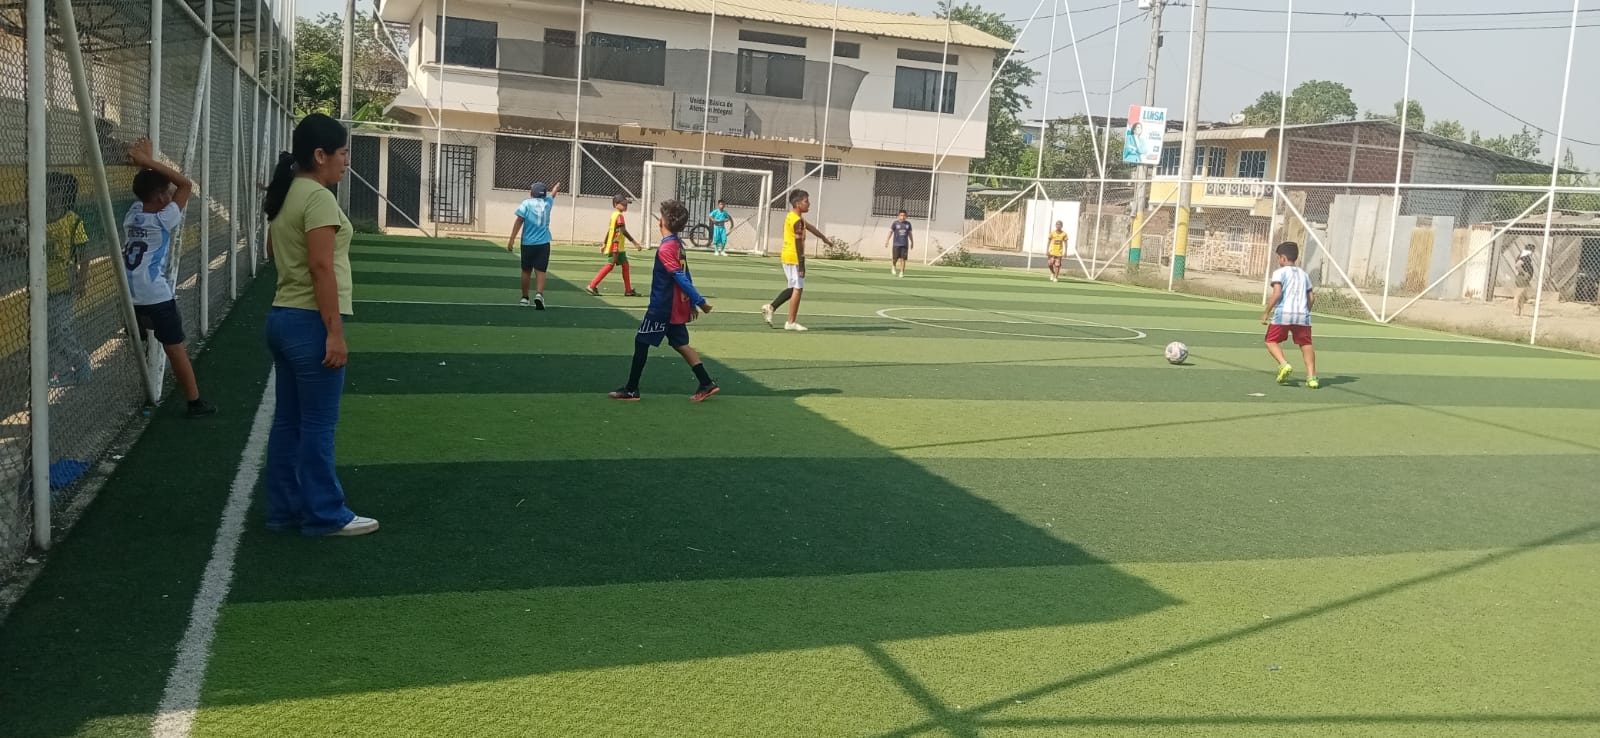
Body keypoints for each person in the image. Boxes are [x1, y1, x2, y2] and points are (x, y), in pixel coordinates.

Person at [262, 113, 377, 537]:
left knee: (289, 422)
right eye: (343, 153)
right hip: (308, 322)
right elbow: (320, 266)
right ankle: (326, 514)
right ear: (320, 155)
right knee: (317, 424)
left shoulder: (288, 192)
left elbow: (274, 252)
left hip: (283, 317)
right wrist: (334, 332)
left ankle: (284, 510)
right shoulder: (318, 198)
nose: (346, 161)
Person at [123, 139, 217, 417]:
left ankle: (140, 328)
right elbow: (185, 184)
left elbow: (147, 190)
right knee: (175, 348)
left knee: (148, 329)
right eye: (166, 192)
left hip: (130, 294)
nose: (170, 194)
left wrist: (146, 164)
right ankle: (194, 402)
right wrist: (147, 161)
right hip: (156, 295)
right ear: (162, 198)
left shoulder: (133, 214)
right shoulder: (163, 219)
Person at [608, 199, 718, 402]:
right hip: (674, 306)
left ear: (661, 222)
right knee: (681, 344)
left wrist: (699, 301)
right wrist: (690, 303)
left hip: (663, 307)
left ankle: (631, 389)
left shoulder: (666, 248)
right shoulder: (677, 245)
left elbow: (680, 276)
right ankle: (706, 382)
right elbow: (686, 272)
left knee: (641, 341)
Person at [44, 172, 92, 386]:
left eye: (55, 191)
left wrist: (81, 281)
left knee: (59, 328)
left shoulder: (73, 220)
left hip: (64, 286)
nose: (50, 195)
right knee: (45, 332)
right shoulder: (36, 218)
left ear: (63, 194)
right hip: (40, 286)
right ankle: (49, 373)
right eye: (47, 190)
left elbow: (84, 254)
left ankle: (81, 362)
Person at [762, 189, 831, 332]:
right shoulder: (797, 221)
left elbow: (810, 227)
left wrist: (823, 238)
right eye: (806, 201)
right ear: (798, 204)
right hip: (794, 257)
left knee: (793, 288)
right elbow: (798, 244)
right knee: (798, 289)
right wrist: (802, 264)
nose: (809, 203)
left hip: (786, 255)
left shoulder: (793, 216)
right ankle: (791, 322)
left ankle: (771, 307)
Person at [1261, 241, 1318, 390]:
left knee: (1270, 340)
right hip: (1302, 316)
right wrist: (1306, 311)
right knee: (1306, 344)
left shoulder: (1279, 273)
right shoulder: (1304, 274)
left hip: (1283, 314)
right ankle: (1312, 377)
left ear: (1283, 258)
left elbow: (1277, 294)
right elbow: (1311, 298)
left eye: (1279, 258)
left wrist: (1266, 312)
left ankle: (1284, 364)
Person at [507, 181, 560, 309]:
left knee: (526, 270)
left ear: (531, 193)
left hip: (527, 243)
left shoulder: (526, 203)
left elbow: (519, 220)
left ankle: (525, 298)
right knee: (541, 270)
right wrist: (556, 188)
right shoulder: (547, 203)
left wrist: (512, 239)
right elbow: (552, 195)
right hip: (543, 243)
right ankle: (539, 294)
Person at [586, 194, 642, 296]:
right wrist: (634, 243)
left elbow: (610, 230)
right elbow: (623, 230)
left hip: (618, 246)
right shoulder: (619, 216)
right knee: (610, 265)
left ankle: (628, 290)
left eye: (626, 204)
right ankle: (592, 285)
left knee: (625, 265)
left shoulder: (614, 215)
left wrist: (604, 243)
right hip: (616, 246)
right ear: (616, 204)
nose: (625, 206)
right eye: (623, 204)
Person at [886, 209, 913, 277]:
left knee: (903, 259)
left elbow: (910, 234)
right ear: (898, 216)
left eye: (904, 215)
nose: (902, 217)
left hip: (904, 244)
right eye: (901, 215)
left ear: (906, 216)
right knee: (895, 258)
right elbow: (890, 232)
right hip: (896, 244)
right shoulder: (895, 223)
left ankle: (901, 272)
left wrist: (912, 242)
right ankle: (893, 266)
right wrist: (887, 240)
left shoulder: (908, 224)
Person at [1513, 244, 1536, 317]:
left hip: (1524, 279)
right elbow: (1518, 265)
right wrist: (1524, 273)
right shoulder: (1525, 257)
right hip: (1522, 278)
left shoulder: (1526, 257)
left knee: (1522, 297)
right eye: (1533, 250)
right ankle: (1515, 313)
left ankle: (1521, 313)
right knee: (1518, 295)